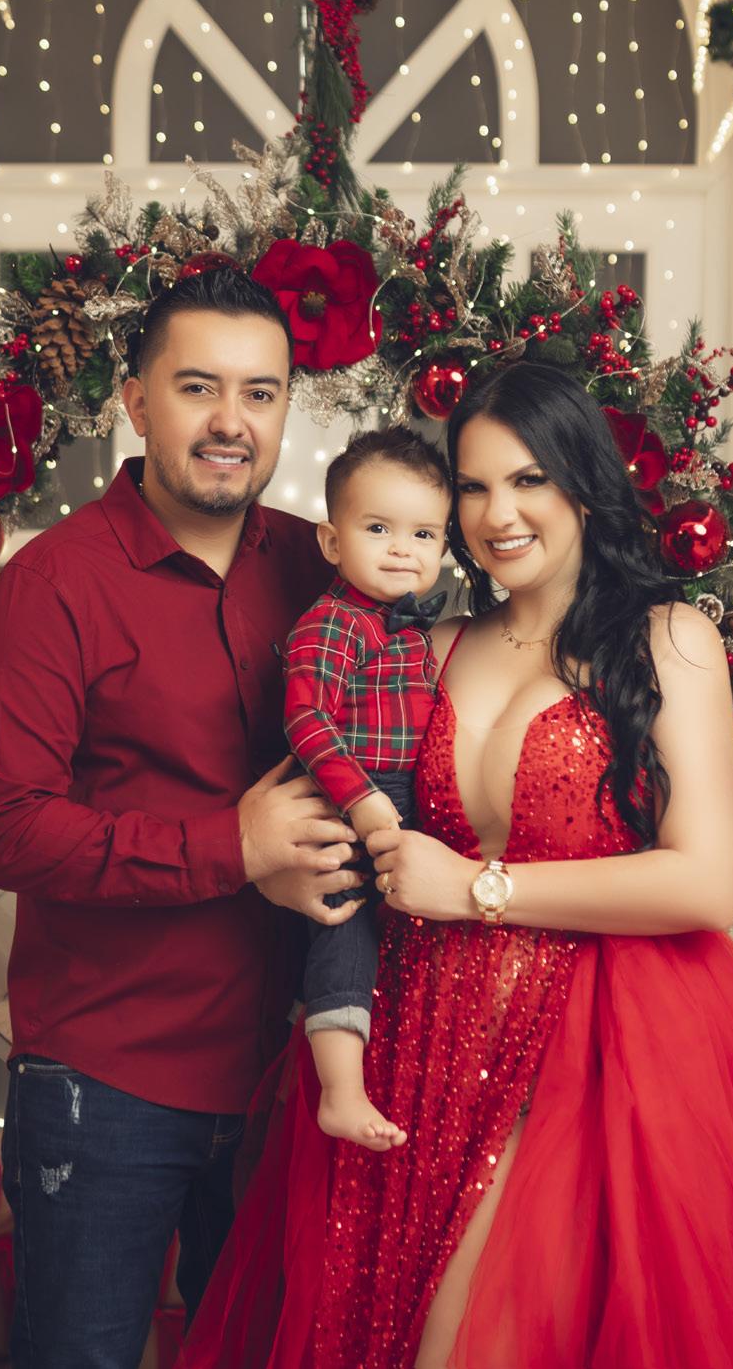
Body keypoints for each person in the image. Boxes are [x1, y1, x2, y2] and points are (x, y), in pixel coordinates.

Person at [181, 362, 733, 1369]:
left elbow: (707, 881)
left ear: (581, 482)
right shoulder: (429, 645)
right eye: (474, 487)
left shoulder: (668, 640)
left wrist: (477, 887)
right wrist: (279, 865)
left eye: (527, 479)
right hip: (418, 1039)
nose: (498, 514)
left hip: (599, 1043)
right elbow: (328, 796)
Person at [0, 264, 368, 1369]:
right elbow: (1, 826)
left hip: (290, 1078)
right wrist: (231, 847)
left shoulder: (324, 566)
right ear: (136, 403)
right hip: (108, 1081)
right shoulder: (53, 583)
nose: (232, 421)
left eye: (260, 393)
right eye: (198, 388)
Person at [282, 427, 454, 1152]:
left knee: (411, 935)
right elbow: (306, 718)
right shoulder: (333, 624)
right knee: (345, 930)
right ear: (331, 541)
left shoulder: (412, 629)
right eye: (378, 528)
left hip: (409, 796)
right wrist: (360, 798)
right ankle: (340, 1091)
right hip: (355, 796)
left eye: (423, 534)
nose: (401, 549)